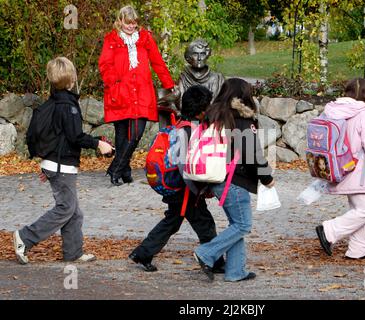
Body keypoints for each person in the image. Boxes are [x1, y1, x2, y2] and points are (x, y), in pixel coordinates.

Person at [12, 57, 113, 264]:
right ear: (71, 78)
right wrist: (98, 144)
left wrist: (47, 164)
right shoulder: (69, 106)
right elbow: (75, 136)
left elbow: (56, 136)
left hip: (55, 164)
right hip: (62, 166)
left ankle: (73, 252)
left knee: (74, 213)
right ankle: (25, 237)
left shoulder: (54, 102)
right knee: (66, 208)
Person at [128, 85, 225, 273]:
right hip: (186, 190)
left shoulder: (179, 125)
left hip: (176, 187)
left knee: (172, 221)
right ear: (200, 112)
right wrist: (201, 189)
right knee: (205, 224)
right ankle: (215, 262)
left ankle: (143, 253)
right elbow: (188, 166)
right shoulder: (190, 132)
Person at [193, 78, 275, 282]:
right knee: (243, 225)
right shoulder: (241, 118)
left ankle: (236, 271)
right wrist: (267, 178)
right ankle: (206, 253)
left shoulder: (214, 114)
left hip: (215, 177)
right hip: (234, 180)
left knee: (235, 224)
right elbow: (251, 153)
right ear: (244, 96)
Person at [315, 78, 365, 260]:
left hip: (340, 167)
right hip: (360, 170)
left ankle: (358, 248)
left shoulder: (333, 111)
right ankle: (328, 231)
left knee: (359, 207)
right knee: (364, 210)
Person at [98, 5, 175, 186]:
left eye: (133, 23)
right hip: (120, 93)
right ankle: (125, 171)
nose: (131, 27)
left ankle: (115, 169)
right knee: (122, 134)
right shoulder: (112, 39)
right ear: (120, 21)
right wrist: (114, 83)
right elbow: (105, 64)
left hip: (141, 93)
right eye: (127, 23)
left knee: (136, 134)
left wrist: (169, 84)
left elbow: (157, 62)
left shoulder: (145, 38)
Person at [177, 38, 225, 109]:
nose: (199, 58)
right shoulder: (184, 77)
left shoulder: (218, 78)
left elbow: (222, 104)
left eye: (202, 54)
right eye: (195, 54)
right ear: (189, 57)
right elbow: (181, 104)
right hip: (190, 117)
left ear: (207, 56)